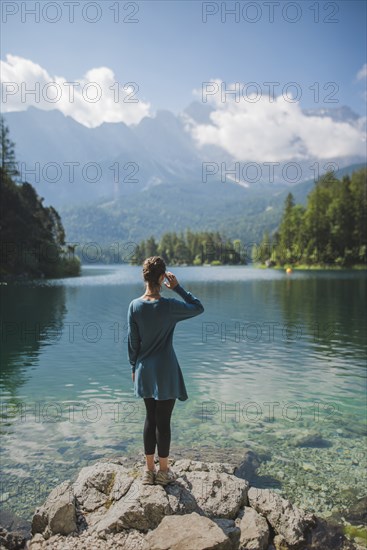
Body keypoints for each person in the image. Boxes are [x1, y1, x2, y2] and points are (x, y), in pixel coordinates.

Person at [127, 256, 204, 486]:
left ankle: (148, 472)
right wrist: (178, 288)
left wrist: (133, 367)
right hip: (166, 371)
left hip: (145, 371)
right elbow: (198, 307)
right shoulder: (170, 306)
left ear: (144, 277)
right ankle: (163, 472)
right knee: (164, 422)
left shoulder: (134, 306)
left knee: (150, 419)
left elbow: (133, 342)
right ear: (163, 278)